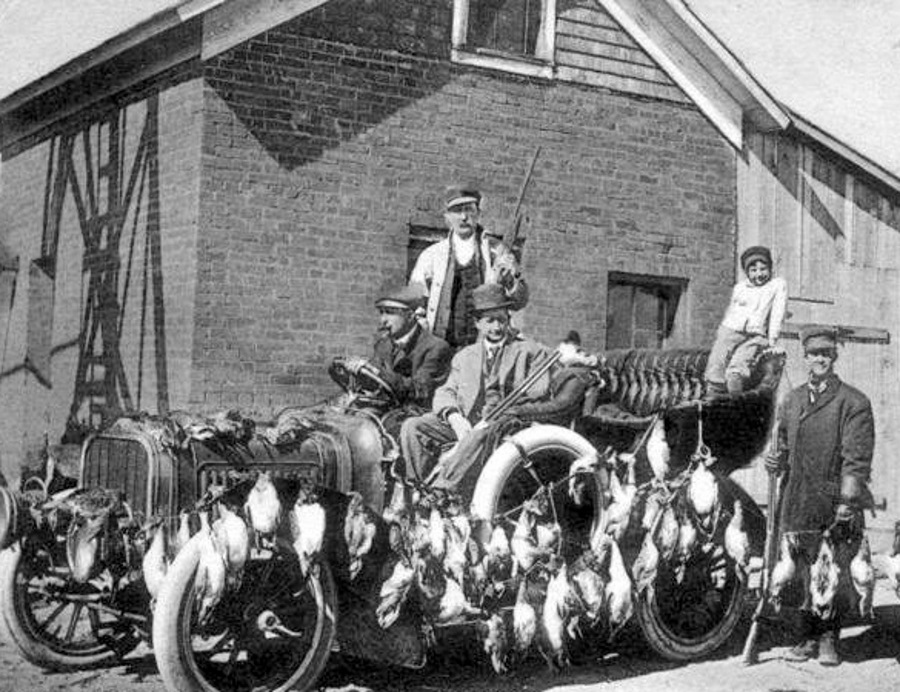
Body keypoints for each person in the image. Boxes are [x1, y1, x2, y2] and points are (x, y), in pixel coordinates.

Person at [765, 324, 875, 666]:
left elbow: (857, 459)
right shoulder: (792, 399)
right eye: (814, 354)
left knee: (832, 569)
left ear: (834, 356)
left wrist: (848, 501)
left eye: (826, 353)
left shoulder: (853, 402)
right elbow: (783, 445)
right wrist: (774, 459)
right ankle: (806, 636)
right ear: (805, 356)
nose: (820, 359)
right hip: (797, 499)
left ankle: (829, 637)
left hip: (832, 501)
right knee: (799, 570)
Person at [399, 283, 548, 485]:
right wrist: (454, 417)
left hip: (502, 427)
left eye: (502, 320)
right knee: (413, 426)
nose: (497, 327)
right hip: (466, 424)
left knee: (480, 434)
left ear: (508, 320)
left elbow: (538, 393)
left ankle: (442, 490)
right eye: (490, 321)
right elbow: (446, 391)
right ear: (478, 323)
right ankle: (417, 487)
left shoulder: (529, 352)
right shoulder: (464, 356)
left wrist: (500, 415)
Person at [409, 184, 528, 349]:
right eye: (457, 211)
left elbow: (520, 301)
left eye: (469, 210)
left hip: (483, 346)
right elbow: (414, 302)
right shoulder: (431, 256)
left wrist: (510, 279)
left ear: (478, 214)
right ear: (447, 217)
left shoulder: (496, 251)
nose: (464, 217)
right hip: (441, 347)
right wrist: (424, 338)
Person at [344, 283, 452, 410]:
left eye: (390, 313)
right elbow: (375, 383)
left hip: (415, 414)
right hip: (386, 410)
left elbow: (420, 390)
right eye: (381, 312)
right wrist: (358, 373)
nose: (383, 320)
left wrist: (377, 372)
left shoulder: (436, 348)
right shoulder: (383, 345)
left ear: (410, 315)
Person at [704, 245, 787, 396]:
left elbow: (778, 313)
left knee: (740, 364)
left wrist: (772, 339)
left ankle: (735, 395)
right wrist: (722, 332)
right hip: (731, 330)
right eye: (753, 270)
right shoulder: (740, 287)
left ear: (770, 269)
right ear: (747, 272)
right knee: (717, 360)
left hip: (756, 334)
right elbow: (731, 309)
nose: (759, 274)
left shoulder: (776, 285)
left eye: (763, 269)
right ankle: (714, 394)